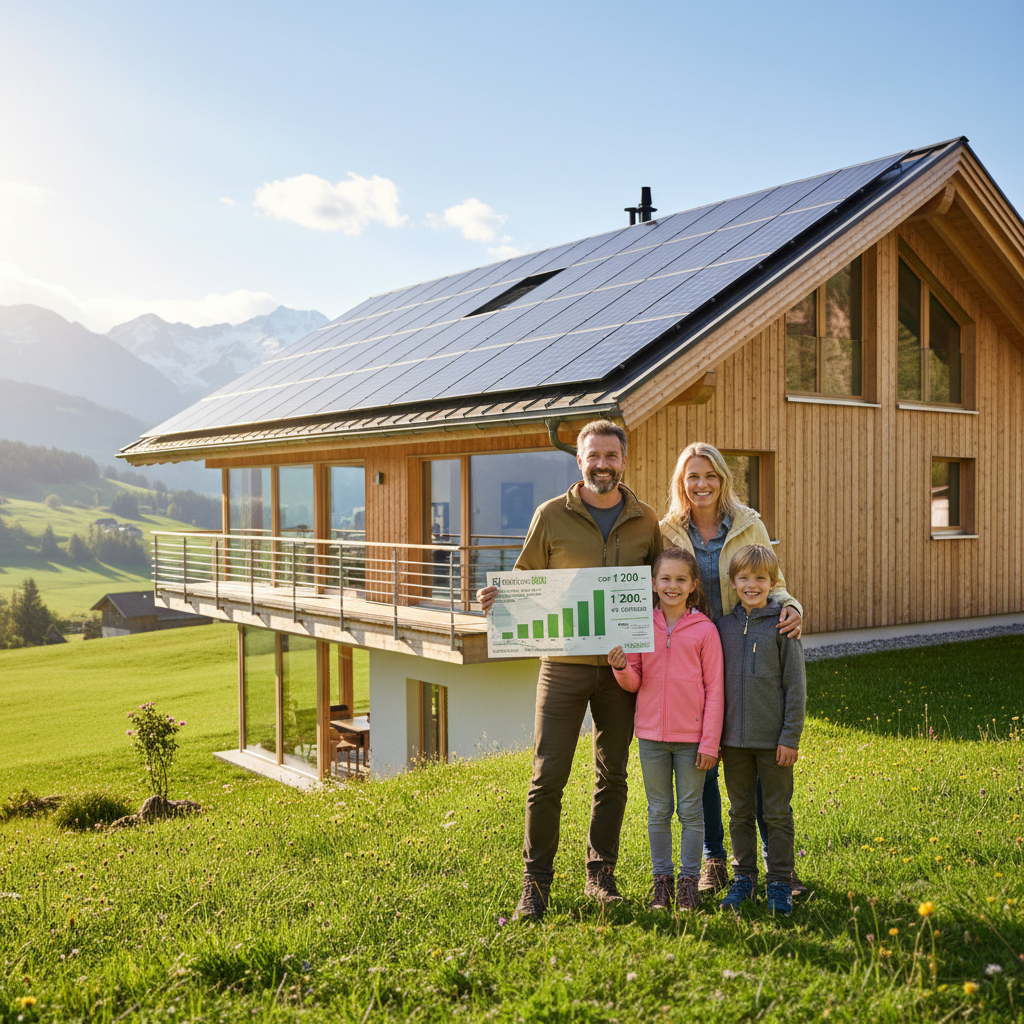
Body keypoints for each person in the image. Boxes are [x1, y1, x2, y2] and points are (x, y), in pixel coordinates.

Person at [477, 420, 663, 920]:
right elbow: (524, 579)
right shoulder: (551, 515)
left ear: (624, 460)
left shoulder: (646, 520)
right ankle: (535, 886)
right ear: (578, 460)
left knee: (614, 774)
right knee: (547, 776)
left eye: (611, 455)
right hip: (561, 666)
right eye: (593, 456)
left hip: (621, 670)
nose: (602, 464)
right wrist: (500, 598)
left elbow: (662, 589)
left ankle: (600, 875)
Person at [659, 441, 807, 898]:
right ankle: (715, 862)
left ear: (723, 479)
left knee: (757, 764)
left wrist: (792, 607)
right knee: (699, 759)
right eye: (692, 477)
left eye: (710, 476)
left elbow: (773, 581)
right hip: (690, 653)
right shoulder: (666, 530)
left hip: (743, 645)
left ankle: (777, 868)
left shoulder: (748, 523)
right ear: (681, 484)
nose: (701, 485)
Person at [607, 548, 723, 912]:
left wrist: (710, 743)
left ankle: (688, 883)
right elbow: (634, 681)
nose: (672, 586)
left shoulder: (705, 630)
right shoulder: (641, 624)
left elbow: (715, 689)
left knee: (691, 812)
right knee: (658, 811)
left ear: (693, 586)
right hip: (651, 737)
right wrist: (622, 668)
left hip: (692, 741)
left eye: (680, 580)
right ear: (653, 584)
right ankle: (662, 884)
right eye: (665, 579)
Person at [716, 544, 806, 916]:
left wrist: (789, 738)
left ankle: (780, 882)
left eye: (760, 578)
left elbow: (796, 687)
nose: (752, 585)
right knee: (739, 812)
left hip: (773, 744)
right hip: (733, 744)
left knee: (777, 812)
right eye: (744, 578)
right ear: (733, 582)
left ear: (772, 582)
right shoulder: (722, 627)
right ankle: (744, 879)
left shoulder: (784, 626)